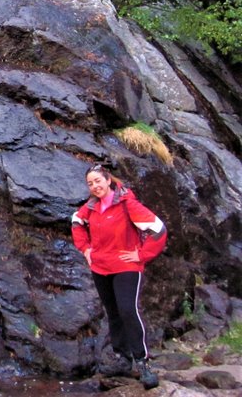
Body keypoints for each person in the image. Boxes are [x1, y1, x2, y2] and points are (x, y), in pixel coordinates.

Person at [71, 164, 167, 390]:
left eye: (98, 181)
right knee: (113, 313)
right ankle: (122, 358)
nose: (95, 186)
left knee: (127, 310)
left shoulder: (127, 204)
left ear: (108, 180)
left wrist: (142, 254)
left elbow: (159, 229)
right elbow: (76, 221)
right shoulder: (91, 207)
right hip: (100, 268)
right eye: (90, 183)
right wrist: (85, 249)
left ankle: (142, 362)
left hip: (126, 267)